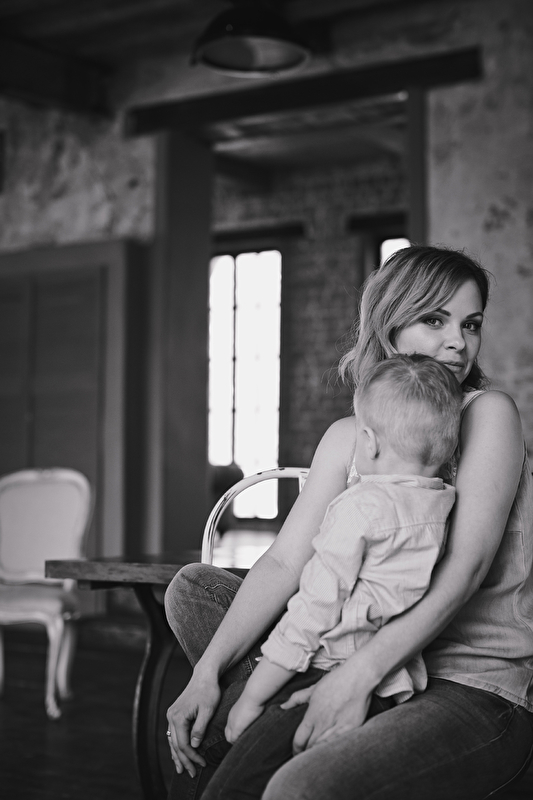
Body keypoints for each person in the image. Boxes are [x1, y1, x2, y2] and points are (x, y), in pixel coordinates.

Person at [164, 245, 533, 800]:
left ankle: (270, 719)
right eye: (435, 320)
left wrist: (354, 678)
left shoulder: (487, 414)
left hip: (469, 683)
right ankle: (266, 708)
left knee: (297, 787)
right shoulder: (346, 437)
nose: (459, 341)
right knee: (193, 590)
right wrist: (205, 673)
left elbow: (467, 566)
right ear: (389, 325)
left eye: (471, 323)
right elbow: (285, 561)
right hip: (345, 648)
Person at [213, 354, 460, 798]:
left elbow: (312, 612)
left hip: (325, 673)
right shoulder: (440, 504)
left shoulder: (359, 507)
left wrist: (252, 697)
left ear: (368, 441)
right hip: (391, 683)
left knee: (231, 784)